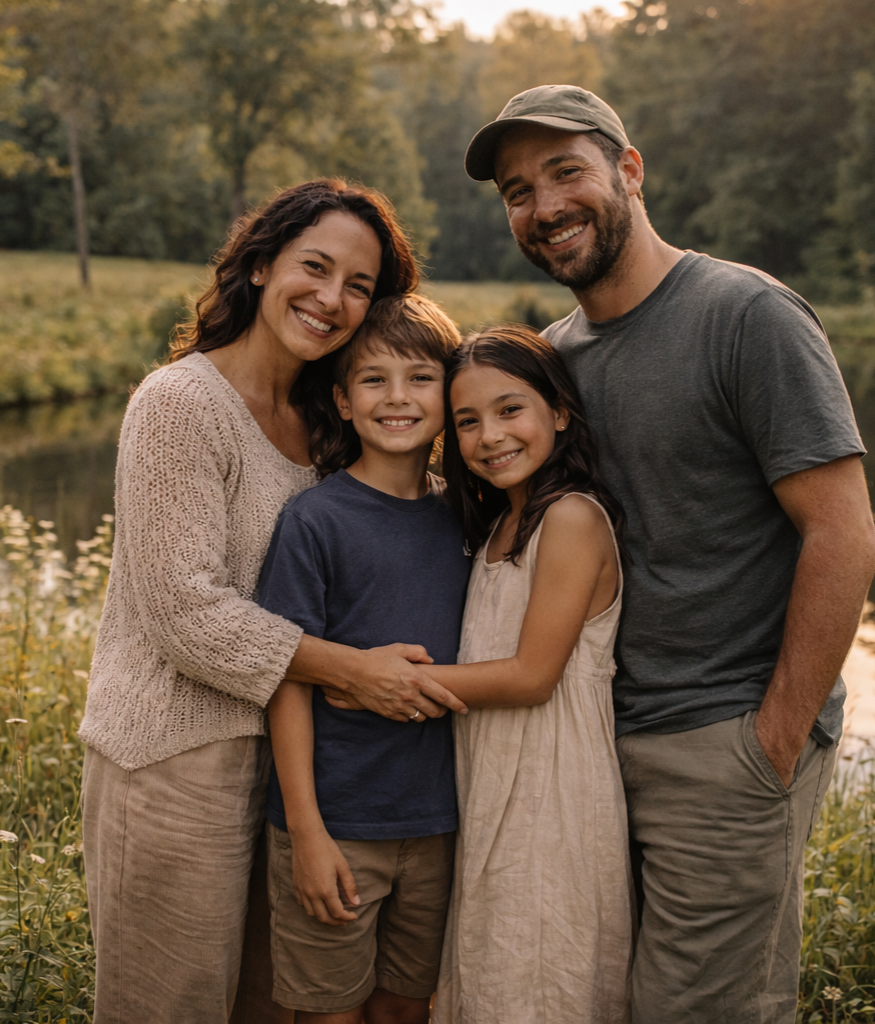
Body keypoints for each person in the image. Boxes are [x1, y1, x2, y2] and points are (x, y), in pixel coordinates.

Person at [463, 87, 875, 1023]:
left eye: (567, 172)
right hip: (594, 746)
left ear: (630, 170)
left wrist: (773, 740)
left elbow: (843, 531)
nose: (546, 206)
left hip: (720, 741)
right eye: (519, 191)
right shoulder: (555, 362)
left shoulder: (746, 315)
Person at [77, 180, 466, 1024]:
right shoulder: (182, 405)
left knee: (269, 1007)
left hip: (300, 777)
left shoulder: (326, 419)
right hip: (177, 762)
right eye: (314, 268)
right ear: (260, 264)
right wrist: (353, 673)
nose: (331, 299)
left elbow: (391, 516)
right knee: (171, 1005)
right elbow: (185, 613)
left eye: (358, 286)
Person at [257, 294, 468, 1024]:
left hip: (440, 824)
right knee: (329, 1012)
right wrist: (307, 834)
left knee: (408, 1007)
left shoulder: (468, 520)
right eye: (374, 380)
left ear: (450, 393)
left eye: (420, 377)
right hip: (337, 824)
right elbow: (285, 676)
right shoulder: (313, 521)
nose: (399, 398)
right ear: (343, 401)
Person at [425, 326, 633, 1024]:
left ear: (560, 412)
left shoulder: (571, 518)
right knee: (493, 969)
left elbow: (532, 676)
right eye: (467, 421)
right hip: (492, 787)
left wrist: (390, 682)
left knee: (541, 974)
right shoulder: (494, 529)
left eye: (511, 409)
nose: (490, 436)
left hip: (552, 793)